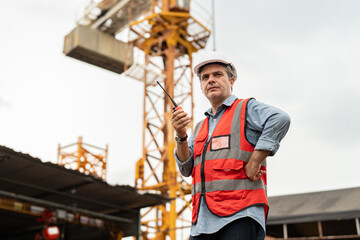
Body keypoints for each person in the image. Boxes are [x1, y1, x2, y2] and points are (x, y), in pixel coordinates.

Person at [171, 51, 290, 240]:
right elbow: (186, 168)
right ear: (201, 87)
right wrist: (181, 135)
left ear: (232, 81)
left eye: (217, 75)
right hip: (202, 221)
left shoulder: (246, 109)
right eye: (205, 78)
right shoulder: (200, 127)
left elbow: (280, 119)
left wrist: (254, 162)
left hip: (240, 213)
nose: (210, 80)